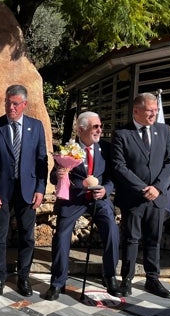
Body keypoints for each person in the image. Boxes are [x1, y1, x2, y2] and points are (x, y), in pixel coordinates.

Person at [0, 84, 48, 297]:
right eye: (8, 103)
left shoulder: (36, 127)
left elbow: (42, 161)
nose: (11, 108)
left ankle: (23, 278)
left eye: (15, 104)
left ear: (24, 105)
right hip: (1, 192)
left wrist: (40, 189)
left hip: (27, 191)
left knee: (27, 237)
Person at [46, 111, 121, 300]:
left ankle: (110, 276)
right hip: (74, 198)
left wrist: (105, 189)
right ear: (80, 130)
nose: (100, 130)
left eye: (100, 126)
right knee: (62, 234)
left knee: (112, 228)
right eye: (95, 127)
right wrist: (60, 175)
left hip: (98, 197)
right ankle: (57, 282)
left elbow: (113, 177)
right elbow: (53, 177)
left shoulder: (106, 148)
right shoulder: (67, 149)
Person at [112, 92, 170, 298]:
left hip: (157, 197)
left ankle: (152, 280)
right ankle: (127, 280)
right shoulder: (122, 133)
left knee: (153, 240)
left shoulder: (163, 130)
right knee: (131, 239)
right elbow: (119, 166)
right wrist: (143, 188)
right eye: (150, 110)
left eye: (156, 110)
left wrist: (157, 187)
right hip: (134, 198)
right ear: (136, 110)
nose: (154, 114)